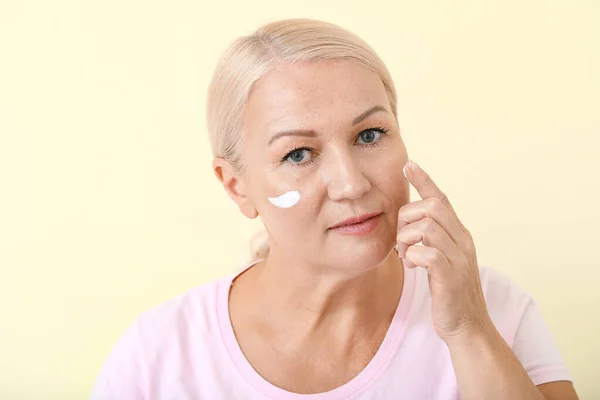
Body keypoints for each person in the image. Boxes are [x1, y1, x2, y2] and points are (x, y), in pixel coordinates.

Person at [91, 18, 578, 399]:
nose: (351, 184)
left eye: (370, 135)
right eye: (298, 154)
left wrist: (469, 331)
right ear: (237, 186)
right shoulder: (157, 356)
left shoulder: (494, 310)